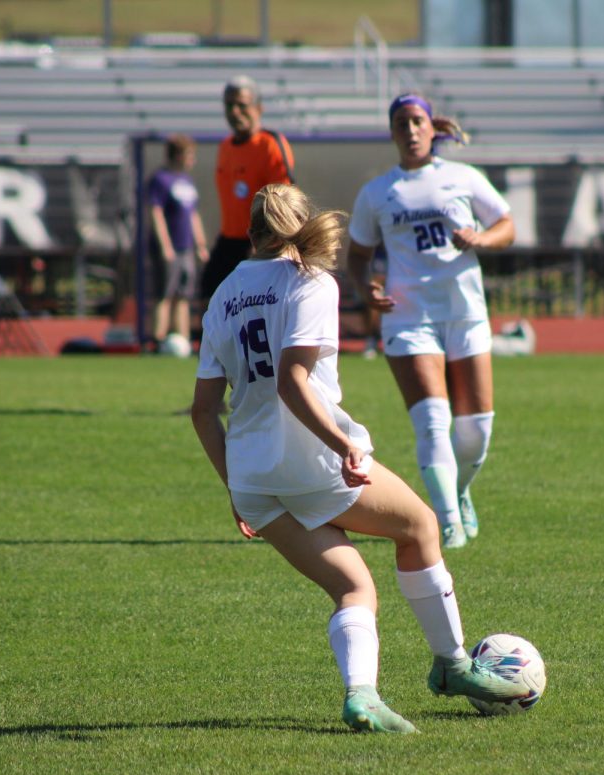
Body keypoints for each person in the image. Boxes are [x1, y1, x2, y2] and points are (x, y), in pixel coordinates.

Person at [190, 183, 526, 734]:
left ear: (251, 232)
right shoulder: (310, 282)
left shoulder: (223, 293)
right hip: (312, 464)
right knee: (419, 526)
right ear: (299, 227)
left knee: (353, 587)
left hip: (253, 478)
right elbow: (293, 385)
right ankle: (452, 665)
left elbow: (204, 411)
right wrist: (344, 444)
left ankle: (362, 697)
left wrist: (235, 489)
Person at [346, 93, 515, 550]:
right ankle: (446, 523)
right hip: (408, 316)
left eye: (417, 121)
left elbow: (507, 224)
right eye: (401, 123)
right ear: (392, 132)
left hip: (464, 311)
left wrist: (480, 237)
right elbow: (357, 255)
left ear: (432, 128)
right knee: (432, 422)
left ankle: (458, 491)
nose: (411, 130)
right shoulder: (378, 192)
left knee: (476, 429)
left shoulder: (462, 177)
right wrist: (366, 290)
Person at [201, 75, 295, 307]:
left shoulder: (270, 144)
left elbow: (282, 201)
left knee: (252, 306)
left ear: (258, 108)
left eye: (242, 105)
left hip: (259, 240)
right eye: (229, 105)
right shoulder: (225, 147)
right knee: (209, 293)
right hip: (229, 239)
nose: (235, 111)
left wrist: (264, 244)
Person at [149, 134, 209, 347]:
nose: (192, 160)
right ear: (178, 155)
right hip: (170, 249)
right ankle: (157, 342)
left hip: (186, 248)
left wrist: (200, 244)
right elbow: (156, 212)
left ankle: (181, 341)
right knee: (165, 294)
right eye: (189, 154)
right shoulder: (160, 179)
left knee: (184, 296)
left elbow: (193, 214)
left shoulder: (187, 181)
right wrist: (165, 245)